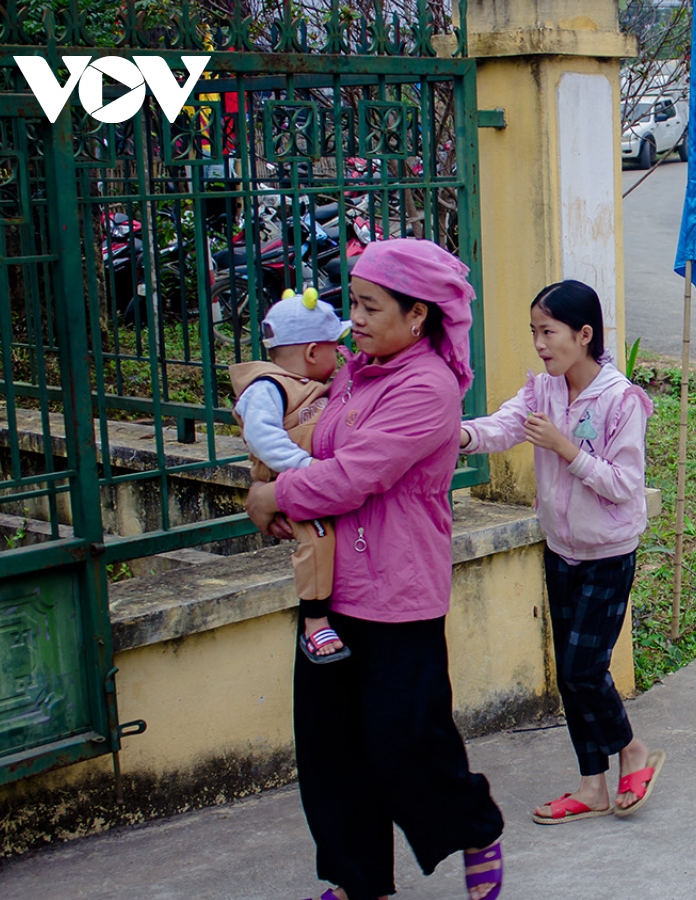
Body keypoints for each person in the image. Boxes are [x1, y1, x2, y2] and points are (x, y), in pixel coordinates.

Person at [244, 239, 504, 900]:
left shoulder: (429, 387)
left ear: (418, 315)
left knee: (405, 746)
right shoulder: (355, 374)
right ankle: (358, 881)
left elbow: (357, 476)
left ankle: (474, 827)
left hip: (398, 593)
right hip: (330, 589)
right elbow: (318, 452)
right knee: (331, 752)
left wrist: (277, 496)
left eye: (369, 306)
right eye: (352, 303)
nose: (352, 319)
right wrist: (275, 486)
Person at [459, 280, 665, 825]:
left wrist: (566, 449)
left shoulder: (621, 400)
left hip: (607, 552)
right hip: (560, 548)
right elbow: (503, 426)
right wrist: (457, 436)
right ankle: (592, 786)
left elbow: (624, 484)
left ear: (584, 334)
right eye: (534, 332)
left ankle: (631, 750)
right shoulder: (543, 391)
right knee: (572, 677)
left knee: (581, 667)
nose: (540, 344)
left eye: (548, 332)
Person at [229, 289, 348, 663]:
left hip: (309, 479)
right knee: (317, 535)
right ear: (312, 352)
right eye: (334, 346)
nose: (341, 353)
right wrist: (303, 468)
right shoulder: (269, 386)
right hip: (290, 480)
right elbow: (263, 436)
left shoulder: (311, 385)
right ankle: (315, 619)